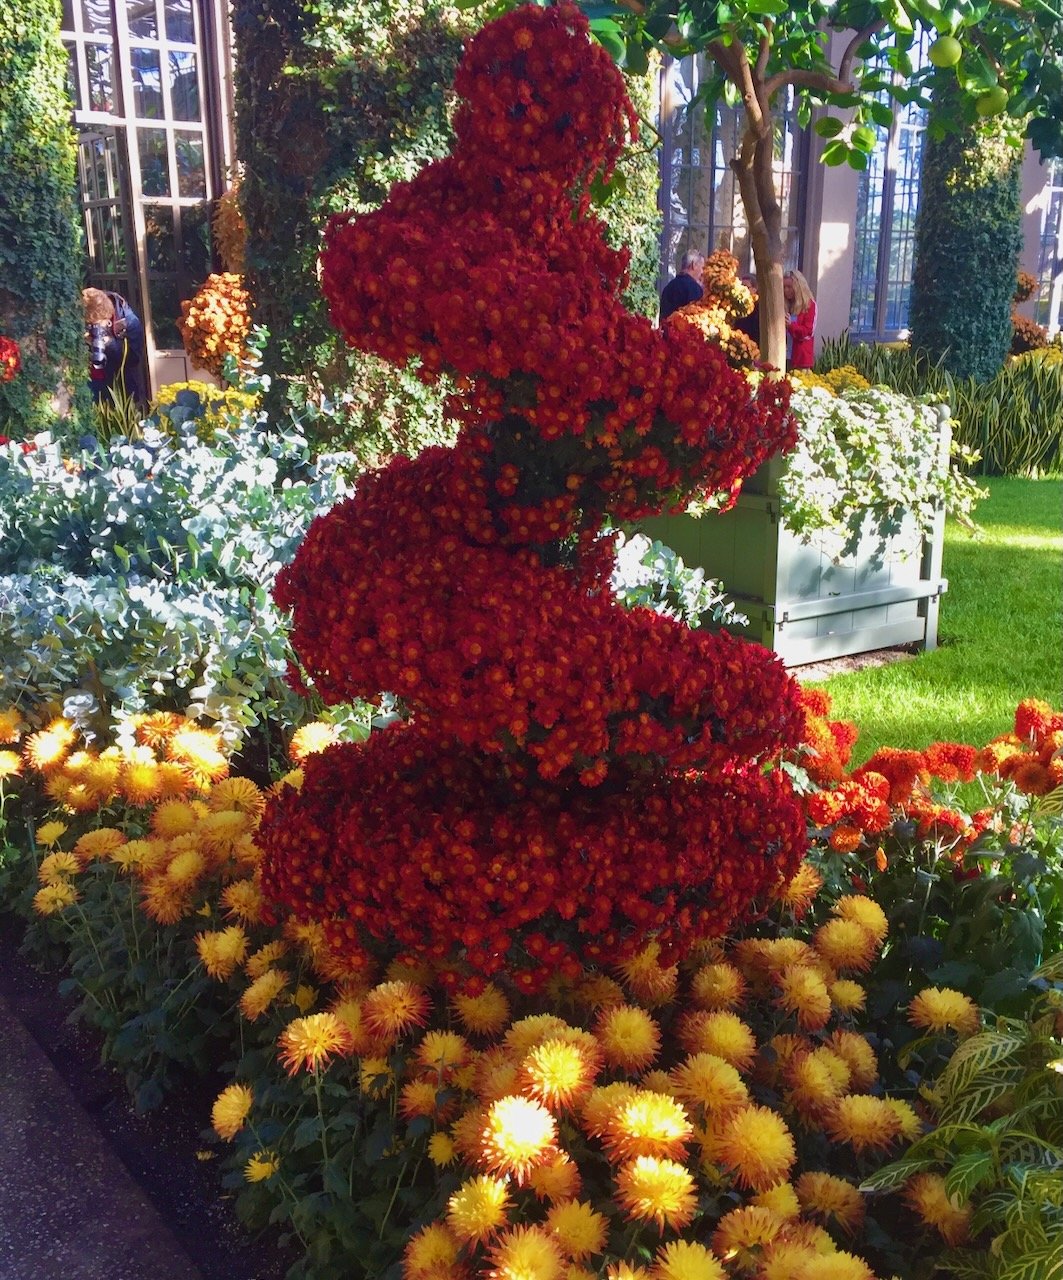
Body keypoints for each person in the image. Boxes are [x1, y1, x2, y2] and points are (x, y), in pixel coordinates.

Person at [82, 287, 147, 405]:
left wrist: (110, 343)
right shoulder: (84, 316)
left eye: (96, 324)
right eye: (89, 324)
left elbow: (134, 358)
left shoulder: (129, 322)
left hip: (118, 386)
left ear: (107, 317)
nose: (93, 329)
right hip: (88, 380)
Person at [659, 250, 705, 323]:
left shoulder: (669, 287)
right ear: (694, 265)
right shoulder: (695, 289)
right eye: (702, 267)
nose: (702, 272)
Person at [784, 269, 816, 370]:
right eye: (784, 287)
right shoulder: (785, 305)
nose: (786, 290)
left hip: (800, 359)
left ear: (798, 287)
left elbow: (807, 332)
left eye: (789, 287)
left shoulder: (809, 305)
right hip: (784, 356)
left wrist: (791, 325)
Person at [733, 273, 760, 348]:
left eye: (746, 287)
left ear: (754, 289)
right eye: (741, 287)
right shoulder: (736, 305)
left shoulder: (758, 307)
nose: (742, 290)